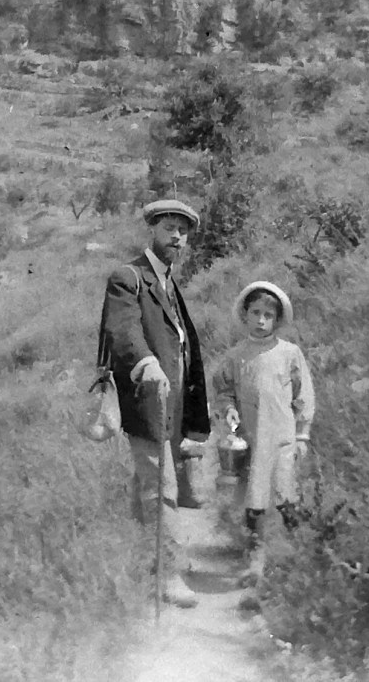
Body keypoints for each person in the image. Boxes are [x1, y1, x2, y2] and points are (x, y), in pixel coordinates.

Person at [98, 198, 210, 609]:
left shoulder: (168, 284)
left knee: (149, 486)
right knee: (160, 486)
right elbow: (123, 330)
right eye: (169, 228)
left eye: (183, 231)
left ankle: (141, 563)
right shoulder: (128, 277)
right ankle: (169, 575)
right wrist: (146, 363)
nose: (176, 237)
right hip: (146, 402)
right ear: (153, 230)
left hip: (174, 405)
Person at [212, 280, 315, 587]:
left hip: (282, 436)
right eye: (255, 313)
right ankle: (255, 559)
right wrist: (228, 408)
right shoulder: (236, 356)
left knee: (286, 494)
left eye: (268, 315)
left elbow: (303, 395)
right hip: (252, 437)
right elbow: (223, 390)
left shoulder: (289, 353)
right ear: (245, 315)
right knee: (254, 497)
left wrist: (302, 434)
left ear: (277, 320)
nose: (260, 321)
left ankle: (299, 556)